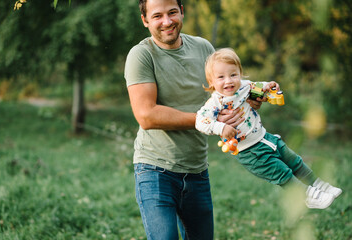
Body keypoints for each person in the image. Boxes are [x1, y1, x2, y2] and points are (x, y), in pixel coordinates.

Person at [124, 0, 263, 239]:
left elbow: (224, 92)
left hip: (197, 170)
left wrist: (250, 100)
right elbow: (146, 115)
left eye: (172, 12)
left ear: (182, 12)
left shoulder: (203, 48)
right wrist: (209, 122)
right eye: (157, 16)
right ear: (145, 20)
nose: (167, 22)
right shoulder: (141, 54)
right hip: (155, 170)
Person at [196, 48, 342, 209]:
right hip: (249, 152)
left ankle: (320, 186)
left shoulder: (244, 87)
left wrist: (269, 86)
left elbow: (257, 86)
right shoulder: (214, 103)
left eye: (233, 75)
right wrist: (220, 127)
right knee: (282, 172)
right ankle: (308, 196)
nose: (228, 81)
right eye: (221, 77)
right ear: (211, 82)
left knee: (294, 161)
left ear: (240, 73)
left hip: (266, 138)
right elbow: (200, 121)